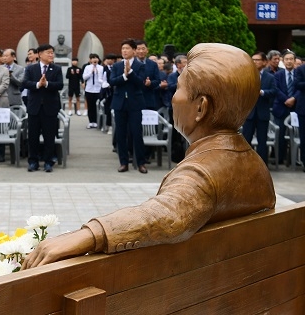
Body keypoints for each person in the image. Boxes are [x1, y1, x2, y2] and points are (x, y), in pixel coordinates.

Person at [22, 43, 276, 269]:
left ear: (201, 108)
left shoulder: (204, 172)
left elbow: (168, 214)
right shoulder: (249, 159)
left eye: (179, 88)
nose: (174, 97)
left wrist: (86, 235)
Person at [22, 44, 64, 173]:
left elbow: (60, 85)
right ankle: (33, 161)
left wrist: (46, 84)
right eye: (48, 52)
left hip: (50, 107)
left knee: (49, 136)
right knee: (33, 136)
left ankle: (48, 162)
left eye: (52, 53)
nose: (51, 55)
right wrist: (37, 84)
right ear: (40, 54)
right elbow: (25, 83)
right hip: (34, 107)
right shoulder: (31, 69)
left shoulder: (56, 69)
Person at [111, 38, 148, 174]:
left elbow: (141, 83)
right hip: (120, 103)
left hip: (135, 103)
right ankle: (123, 162)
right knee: (121, 134)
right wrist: (125, 76)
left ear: (134, 50)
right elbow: (113, 81)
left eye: (127, 49)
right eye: (122, 49)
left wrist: (131, 73)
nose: (124, 51)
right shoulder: (116, 66)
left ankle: (141, 163)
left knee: (136, 133)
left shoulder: (140, 66)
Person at [241, 52, 277, 164]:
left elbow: (274, 91)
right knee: (246, 140)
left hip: (262, 113)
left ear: (264, 62)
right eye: (253, 60)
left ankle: (262, 165)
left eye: (257, 60)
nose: (254, 62)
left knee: (262, 141)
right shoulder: (246, 75)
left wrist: (263, 92)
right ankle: (245, 164)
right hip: (249, 114)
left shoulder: (270, 77)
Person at [272, 50, 298, 165]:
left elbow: (301, 89)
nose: (289, 61)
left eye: (291, 59)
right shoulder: (278, 74)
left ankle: (294, 159)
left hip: (296, 108)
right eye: (286, 59)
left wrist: (294, 98)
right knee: (280, 135)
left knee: (295, 135)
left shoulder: (299, 74)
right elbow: (276, 89)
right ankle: (280, 159)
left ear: (294, 60)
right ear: (283, 60)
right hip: (281, 108)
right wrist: (286, 99)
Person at [135, 40, 161, 110]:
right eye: (138, 49)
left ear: (147, 50)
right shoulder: (130, 64)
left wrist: (150, 83)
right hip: (134, 100)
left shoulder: (153, 64)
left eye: (143, 49)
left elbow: (158, 80)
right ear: (135, 50)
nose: (141, 51)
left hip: (148, 99)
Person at [82, 53, 103, 129]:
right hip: (89, 89)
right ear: (90, 60)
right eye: (93, 58)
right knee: (90, 106)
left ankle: (97, 122)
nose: (95, 59)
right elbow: (84, 77)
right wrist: (91, 73)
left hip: (98, 89)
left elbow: (102, 79)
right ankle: (91, 122)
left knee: (97, 106)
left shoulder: (101, 68)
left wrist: (97, 73)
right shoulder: (87, 67)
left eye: (96, 58)